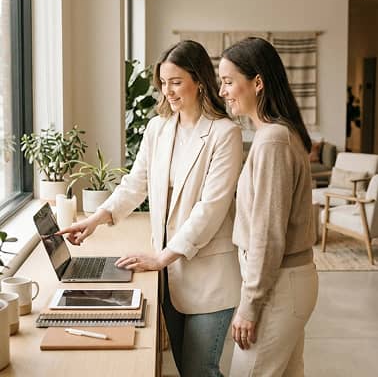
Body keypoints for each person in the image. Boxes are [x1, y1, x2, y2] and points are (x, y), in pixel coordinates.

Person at [58, 40, 243, 377]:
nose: (168, 92)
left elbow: (210, 209)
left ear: (199, 80)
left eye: (176, 82)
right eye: (163, 83)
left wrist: (161, 257)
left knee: (201, 369)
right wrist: (96, 219)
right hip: (170, 275)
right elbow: (136, 182)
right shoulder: (159, 128)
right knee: (185, 368)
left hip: (210, 276)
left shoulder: (224, 134)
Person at [218, 37, 319, 377]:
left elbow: (266, 235)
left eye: (229, 81)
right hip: (288, 283)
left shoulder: (273, 140)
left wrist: (249, 306)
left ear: (257, 82)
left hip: (279, 287)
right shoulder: (276, 134)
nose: (222, 91)